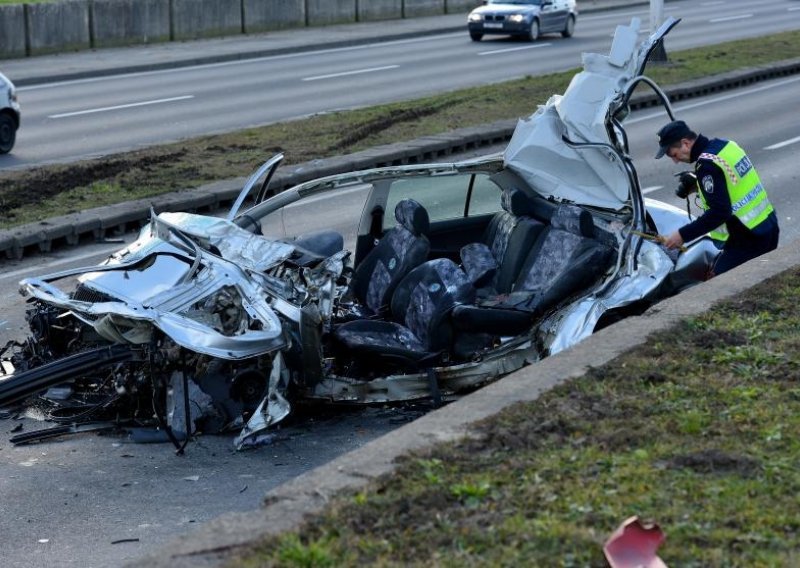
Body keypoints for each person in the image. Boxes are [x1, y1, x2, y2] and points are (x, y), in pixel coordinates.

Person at [655, 120, 779, 277]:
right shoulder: (726, 146)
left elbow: (719, 212)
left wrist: (682, 235)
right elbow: (735, 182)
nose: (675, 160)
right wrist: (698, 186)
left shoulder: (706, 166)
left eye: (674, 154)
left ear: (685, 143)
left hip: (747, 239)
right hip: (768, 226)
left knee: (716, 281)